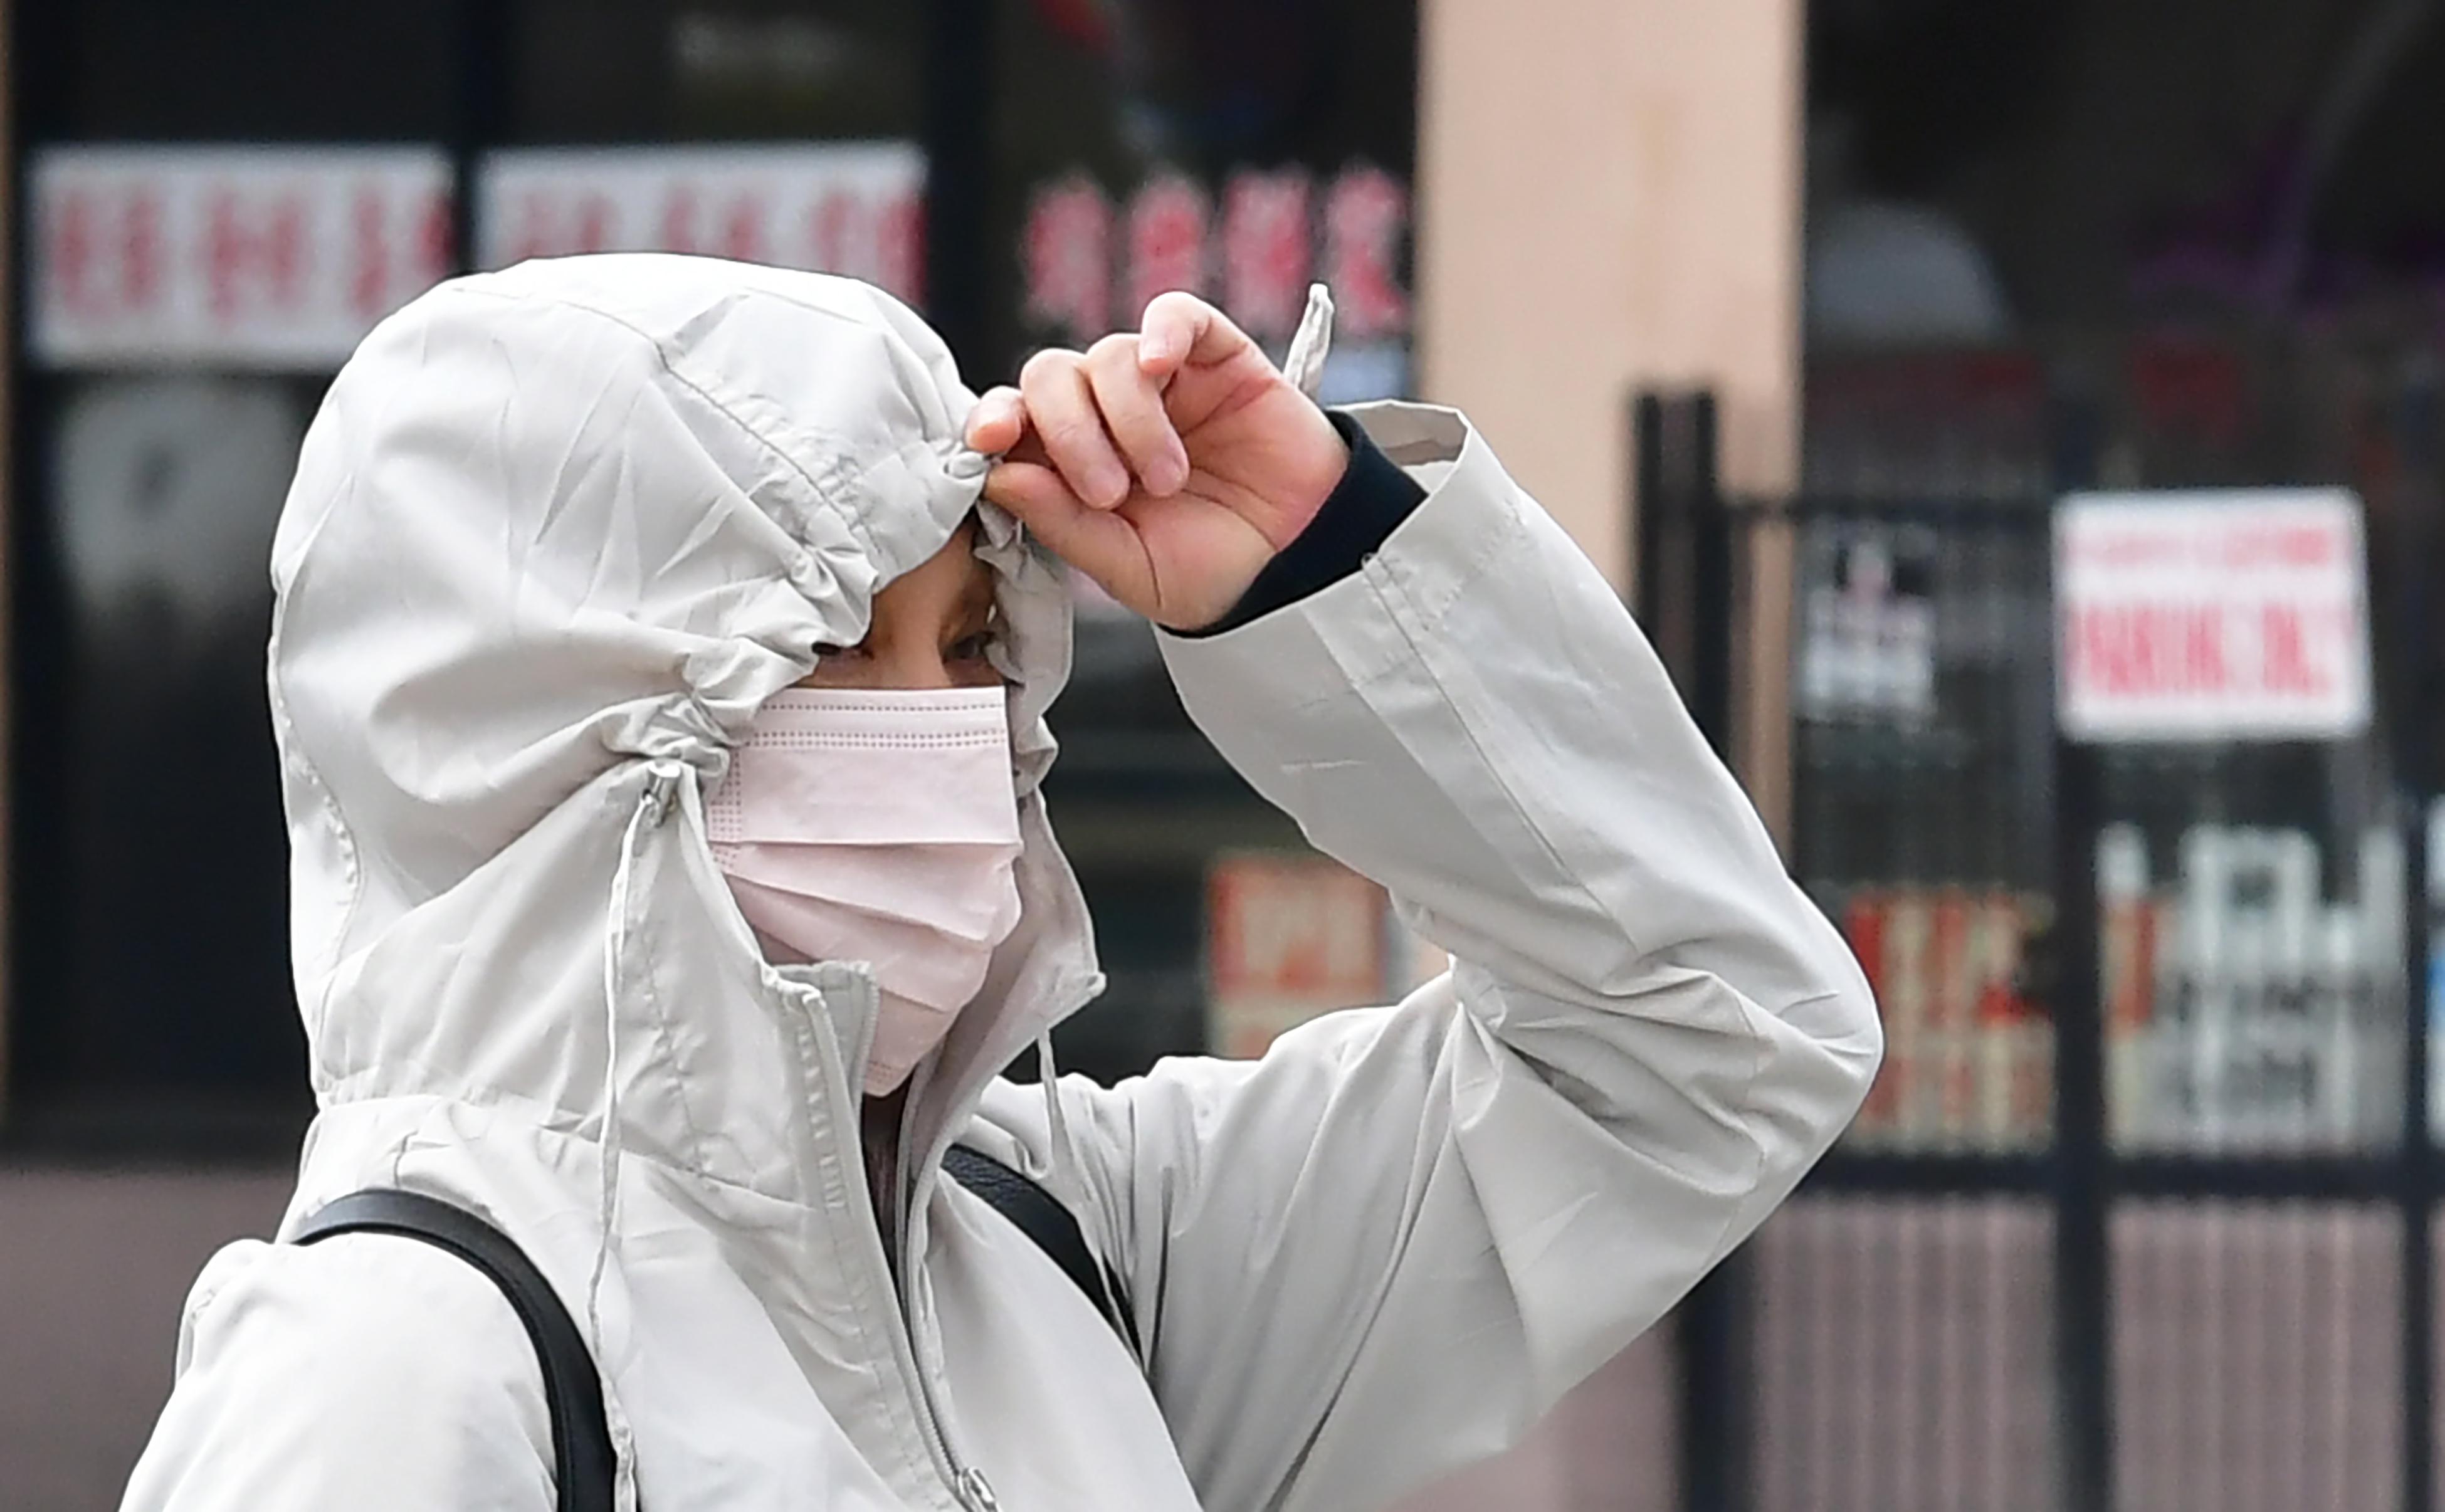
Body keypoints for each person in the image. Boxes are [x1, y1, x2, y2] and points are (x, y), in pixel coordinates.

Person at [120, 255, 1880, 1512]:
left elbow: (1705, 1041)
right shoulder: (395, 1377)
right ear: (548, 738)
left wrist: (1320, 572)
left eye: (973, 646)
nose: (957, 732)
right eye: (823, 645)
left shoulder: (1066, 1255)